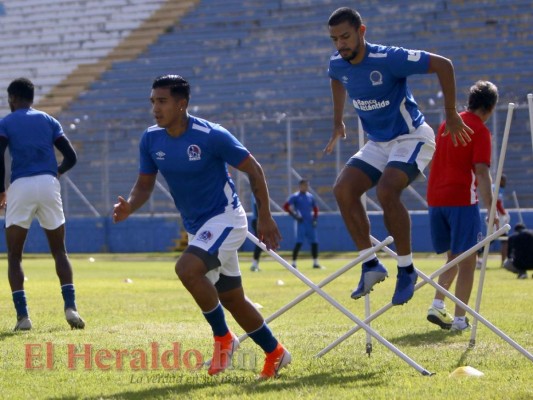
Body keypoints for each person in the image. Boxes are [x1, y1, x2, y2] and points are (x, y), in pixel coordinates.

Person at [112, 75, 291, 379]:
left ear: (182, 104)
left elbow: (254, 169)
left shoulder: (211, 135)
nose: (155, 108)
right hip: (199, 227)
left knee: (187, 269)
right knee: (232, 298)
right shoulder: (151, 139)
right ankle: (276, 353)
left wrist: (265, 216)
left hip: (226, 218)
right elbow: (144, 185)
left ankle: (223, 338)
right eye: (153, 101)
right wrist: (130, 204)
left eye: (163, 101)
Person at [324, 7, 473, 305]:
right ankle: (370, 264)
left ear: (361, 31)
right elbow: (336, 78)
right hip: (379, 142)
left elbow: (444, 65)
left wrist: (451, 113)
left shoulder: (389, 58)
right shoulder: (338, 63)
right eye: (334, 39)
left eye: (345, 37)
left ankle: (406, 269)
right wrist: (338, 120)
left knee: (387, 190)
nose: (340, 44)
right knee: (342, 190)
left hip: (412, 136)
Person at [0, 77, 84, 331]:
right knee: (60, 251)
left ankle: (23, 317)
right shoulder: (49, 120)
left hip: (21, 186)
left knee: (15, 255)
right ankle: (71, 308)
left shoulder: (6, 122)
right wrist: (56, 172)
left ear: (13, 98)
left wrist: (0, 190)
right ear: (32, 98)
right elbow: (71, 156)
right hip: (48, 184)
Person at [426, 80, 499, 332]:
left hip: (435, 199)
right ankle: (459, 319)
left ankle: (437, 303)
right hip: (461, 199)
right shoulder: (479, 130)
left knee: (453, 256)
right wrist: (492, 208)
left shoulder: (448, 123)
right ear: (490, 108)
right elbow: (481, 170)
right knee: (468, 259)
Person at [283, 179, 323, 269]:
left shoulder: (310, 196)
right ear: (300, 186)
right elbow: (286, 206)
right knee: (299, 242)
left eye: (307, 185)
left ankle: (315, 262)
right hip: (301, 223)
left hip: (310, 222)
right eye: (304, 185)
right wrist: (295, 216)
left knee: (314, 242)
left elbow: (315, 208)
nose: (306, 187)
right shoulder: (295, 196)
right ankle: (293, 263)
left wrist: (315, 218)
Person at [249, 193, 263, 272]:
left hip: (258, 220)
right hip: (257, 220)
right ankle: (254, 264)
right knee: (260, 242)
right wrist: (260, 220)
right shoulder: (256, 193)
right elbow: (257, 207)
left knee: (261, 243)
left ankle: (255, 264)